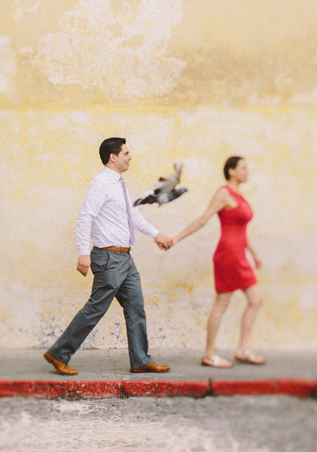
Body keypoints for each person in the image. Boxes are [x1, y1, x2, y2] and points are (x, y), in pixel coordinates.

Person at [44, 137, 174, 376]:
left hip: (125, 259)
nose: (130, 157)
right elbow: (85, 217)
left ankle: (141, 359)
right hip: (108, 258)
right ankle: (59, 353)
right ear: (113, 157)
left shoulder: (119, 184)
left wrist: (156, 234)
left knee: (136, 307)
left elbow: (132, 217)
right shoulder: (101, 183)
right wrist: (84, 252)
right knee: (95, 309)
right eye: (126, 153)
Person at [171, 156, 265, 368]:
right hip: (228, 256)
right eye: (243, 168)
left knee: (256, 299)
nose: (246, 171)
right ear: (231, 171)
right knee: (221, 304)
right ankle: (209, 353)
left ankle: (242, 348)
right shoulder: (224, 193)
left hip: (239, 255)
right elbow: (203, 219)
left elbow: (240, 230)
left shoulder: (239, 196)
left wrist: (254, 253)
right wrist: (176, 238)